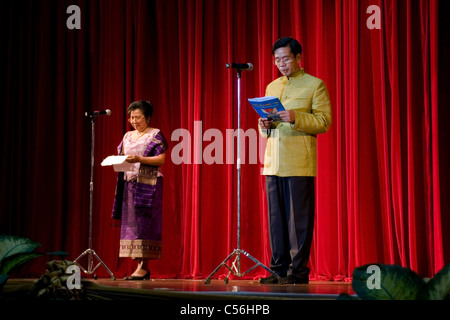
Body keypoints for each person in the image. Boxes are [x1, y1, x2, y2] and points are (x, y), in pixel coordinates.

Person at [258, 37, 332, 284]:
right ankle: (277, 269)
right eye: (277, 59)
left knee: (298, 221)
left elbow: (324, 122)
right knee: (276, 220)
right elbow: (266, 128)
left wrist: (296, 117)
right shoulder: (271, 86)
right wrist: (264, 124)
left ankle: (298, 272)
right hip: (273, 161)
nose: (281, 64)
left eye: (286, 58)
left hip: (300, 161)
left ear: (298, 58)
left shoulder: (315, 85)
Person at [112, 100, 168, 280]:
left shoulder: (154, 134)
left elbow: (161, 159)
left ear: (148, 118)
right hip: (129, 183)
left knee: (145, 224)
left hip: (148, 185)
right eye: (132, 118)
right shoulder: (127, 136)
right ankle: (138, 266)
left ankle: (143, 267)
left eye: (138, 118)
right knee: (132, 226)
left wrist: (138, 159)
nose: (134, 121)